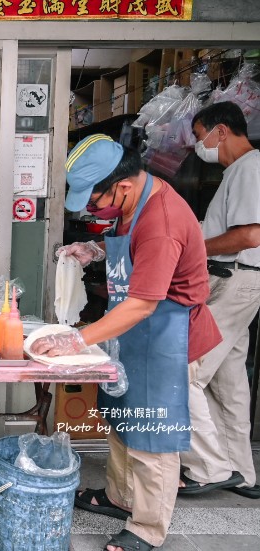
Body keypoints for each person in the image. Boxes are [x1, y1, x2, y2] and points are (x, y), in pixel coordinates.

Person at [30, 134, 221, 551]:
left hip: (164, 337)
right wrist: (95, 250)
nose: (94, 210)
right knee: (121, 420)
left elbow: (142, 305)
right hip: (131, 335)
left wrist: (74, 340)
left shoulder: (162, 222)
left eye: (96, 202)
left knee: (152, 433)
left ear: (124, 185)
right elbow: (128, 252)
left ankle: (148, 528)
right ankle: (120, 498)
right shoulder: (135, 205)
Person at [177, 101, 260, 500]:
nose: (198, 145)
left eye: (199, 136)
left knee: (184, 370)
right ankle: (242, 472)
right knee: (228, 382)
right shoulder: (238, 172)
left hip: (236, 281)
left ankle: (208, 467)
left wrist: (196, 247)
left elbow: (249, 236)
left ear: (221, 131)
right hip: (239, 282)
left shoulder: (249, 168)